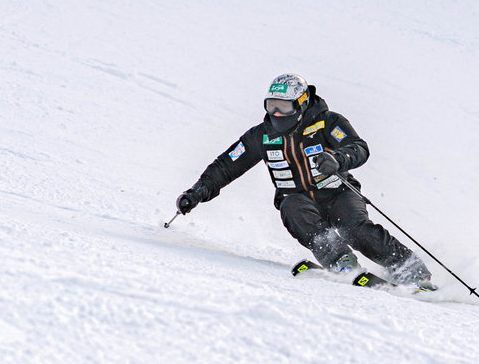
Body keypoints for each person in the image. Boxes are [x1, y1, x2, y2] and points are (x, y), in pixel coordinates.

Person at [176, 73, 436, 290]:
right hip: (298, 198)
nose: (277, 113)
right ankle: (342, 264)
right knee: (292, 208)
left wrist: (337, 158)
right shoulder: (261, 136)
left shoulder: (327, 122)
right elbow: (226, 166)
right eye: (271, 105)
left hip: (337, 193)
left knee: (355, 227)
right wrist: (198, 192)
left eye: (284, 107)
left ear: (301, 104)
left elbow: (358, 147)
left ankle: (411, 270)